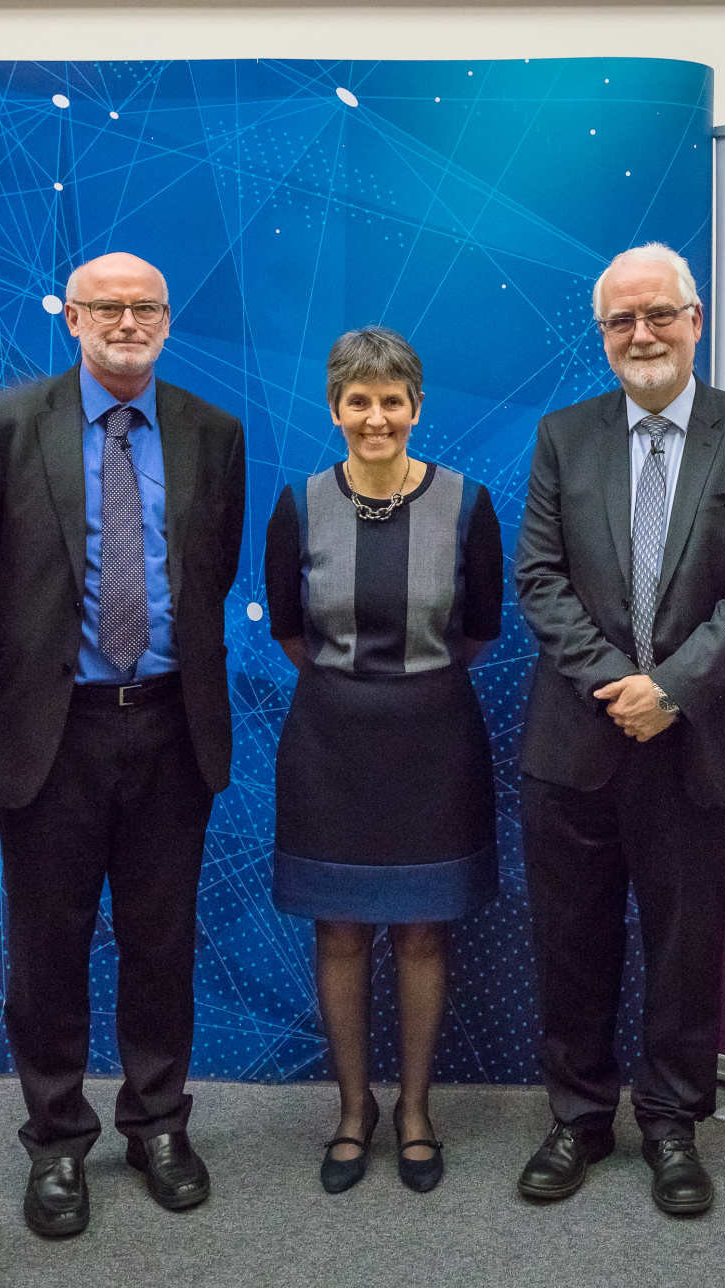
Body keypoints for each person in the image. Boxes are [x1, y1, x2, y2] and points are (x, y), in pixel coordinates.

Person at [513, 242, 725, 1216]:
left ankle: (672, 1123)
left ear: (694, 320)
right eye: (621, 320)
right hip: (578, 736)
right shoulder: (564, 435)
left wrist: (669, 689)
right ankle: (579, 1118)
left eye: (658, 314)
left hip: (702, 737)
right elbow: (539, 578)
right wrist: (619, 686)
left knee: (685, 945)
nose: (641, 334)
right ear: (602, 335)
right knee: (571, 940)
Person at [0, 253, 246, 1237]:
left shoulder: (214, 432)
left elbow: (211, 570)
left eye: (146, 308)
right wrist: (40, 660)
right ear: (73, 318)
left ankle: (157, 1123)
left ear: (166, 320)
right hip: (54, 727)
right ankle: (55, 1139)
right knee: (48, 946)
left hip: (171, 722)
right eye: (108, 308)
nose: (128, 322)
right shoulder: (4, 424)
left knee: (161, 942)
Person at [263, 327, 502, 1195]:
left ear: (416, 408)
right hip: (330, 743)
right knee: (339, 929)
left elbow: (481, 630)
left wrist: (406, 684)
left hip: (434, 741)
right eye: (358, 401)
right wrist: (360, 685)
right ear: (334, 409)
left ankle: (416, 1112)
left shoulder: (468, 504)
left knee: (423, 930)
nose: (375, 417)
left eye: (391, 401)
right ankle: (353, 1110)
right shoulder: (297, 505)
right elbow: (289, 630)